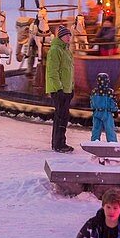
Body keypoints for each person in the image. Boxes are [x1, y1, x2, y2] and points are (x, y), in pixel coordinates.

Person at [47, 25, 75, 153]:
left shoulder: (66, 50)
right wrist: (59, 89)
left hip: (66, 89)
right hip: (59, 90)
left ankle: (59, 142)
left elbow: (69, 71)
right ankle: (59, 144)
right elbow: (53, 71)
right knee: (60, 116)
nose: (69, 37)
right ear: (61, 37)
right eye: (67, 35)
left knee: (63, 116)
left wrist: (71, 87)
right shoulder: (55, 50)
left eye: (70, 35)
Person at [90, 73, 118, 143]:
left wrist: (93, 109)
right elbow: (113, 102)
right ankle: (112, 143)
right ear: (108, 81)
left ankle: (94, 142)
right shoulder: (110, 92)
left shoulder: (94, 91)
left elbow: (92, 102)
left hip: (97, 112)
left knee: (96, 129)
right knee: (110, 129)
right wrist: (115, 110)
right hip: (107, 113)